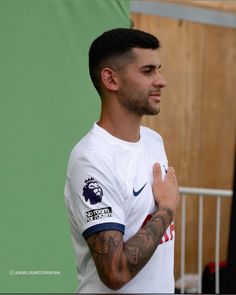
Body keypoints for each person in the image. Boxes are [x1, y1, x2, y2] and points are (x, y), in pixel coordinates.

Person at [64, 28, 179, 293]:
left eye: (159, 69)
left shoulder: (153, 141)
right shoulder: (91, 160)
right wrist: (166, 209)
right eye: (148, 71)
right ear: (111, 80)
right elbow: (115, 272)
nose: (161, 81)